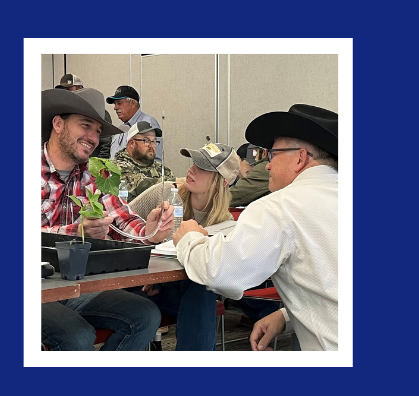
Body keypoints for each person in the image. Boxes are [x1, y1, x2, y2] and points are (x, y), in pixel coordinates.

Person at [173, 104, 338, 352]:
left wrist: (190, 238)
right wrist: (286, 316)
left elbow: (222, 272)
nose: (267, 166)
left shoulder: (280, 206)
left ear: (300, 158)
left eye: (272, 155)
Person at [40, 88, 174, 350]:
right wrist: (78, 232)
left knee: (145, 315)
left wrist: (149, 230)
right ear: (58, 124)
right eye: (86, 126)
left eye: (98, 131)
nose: (93, 138)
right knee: (77, 336)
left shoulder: (96, 173)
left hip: (76, 286)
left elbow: (121, 218)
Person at [136, 142, 241, 351]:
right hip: (140, 283)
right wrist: (147, 239)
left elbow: (224, 276)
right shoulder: (165, 193)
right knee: (202, 294)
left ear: (223, 182)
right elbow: (118, 228)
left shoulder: (225, 222)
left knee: (202, 286)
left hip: (177, 289)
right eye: (194, 162)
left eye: (203, 167)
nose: (192, 169)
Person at [55, 72, 113, 158]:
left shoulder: (99, 111)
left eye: (68, 89)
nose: (65, 93)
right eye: (63, 90)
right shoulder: (61, 112)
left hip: (91, 167)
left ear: (80, 88)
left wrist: (99, 167)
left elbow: (106, 144)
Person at [114, 120, 176, 200]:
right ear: (132, 143)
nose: (151, 145)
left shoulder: (160, 168)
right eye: (146, 141)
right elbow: (138, 186)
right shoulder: (117, 167)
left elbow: (175, 191)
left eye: (153, 141)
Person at [106, 85, 162, 159]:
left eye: (119, 103)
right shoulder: (120, 126)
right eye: (115, 104)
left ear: (132, 103)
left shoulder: (148, 123)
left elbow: (155, 160)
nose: (115, 108)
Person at [229, 142, 271, 208]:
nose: (253, 169)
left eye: (255, 165)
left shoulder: (264, 170)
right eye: (250, 165)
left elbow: (232, 197)